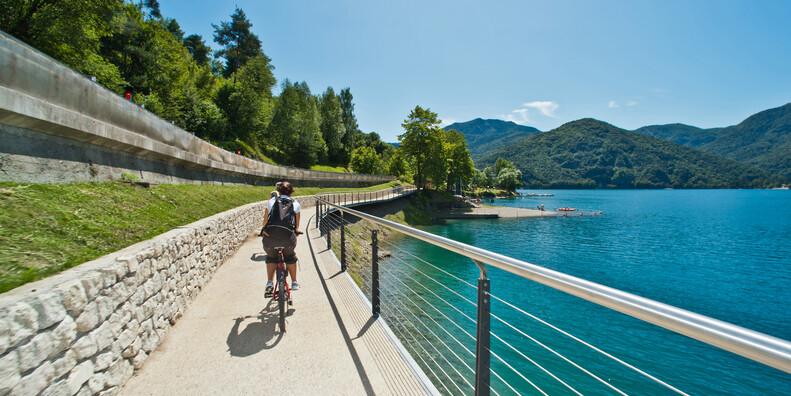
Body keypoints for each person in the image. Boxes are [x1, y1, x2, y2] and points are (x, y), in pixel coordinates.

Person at [261, 181, 301, 297]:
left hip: (270, 239)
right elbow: (296, 225)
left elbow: (265, 222)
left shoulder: (271, 202)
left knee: (271, 257)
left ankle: (269, 282)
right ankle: (294, 282)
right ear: (291, 192)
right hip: (287, 240)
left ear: (278, 191)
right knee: (290, 257)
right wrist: (296, 232)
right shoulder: (295, 204)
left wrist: (263, 231)